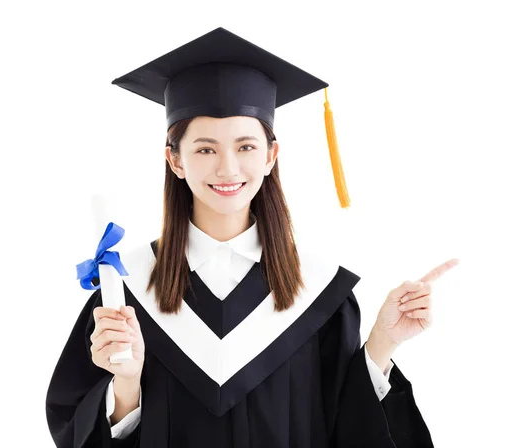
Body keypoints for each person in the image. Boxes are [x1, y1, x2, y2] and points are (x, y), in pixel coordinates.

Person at [46, 27, 457, 447]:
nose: (227, 169)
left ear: (270, 156)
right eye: (205, 149)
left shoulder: (318, 291)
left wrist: (382, 345)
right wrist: (127, 383)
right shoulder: (127, 290)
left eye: (245, 147)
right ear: (175, 159)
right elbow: (77, 430)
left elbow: (348, 427)